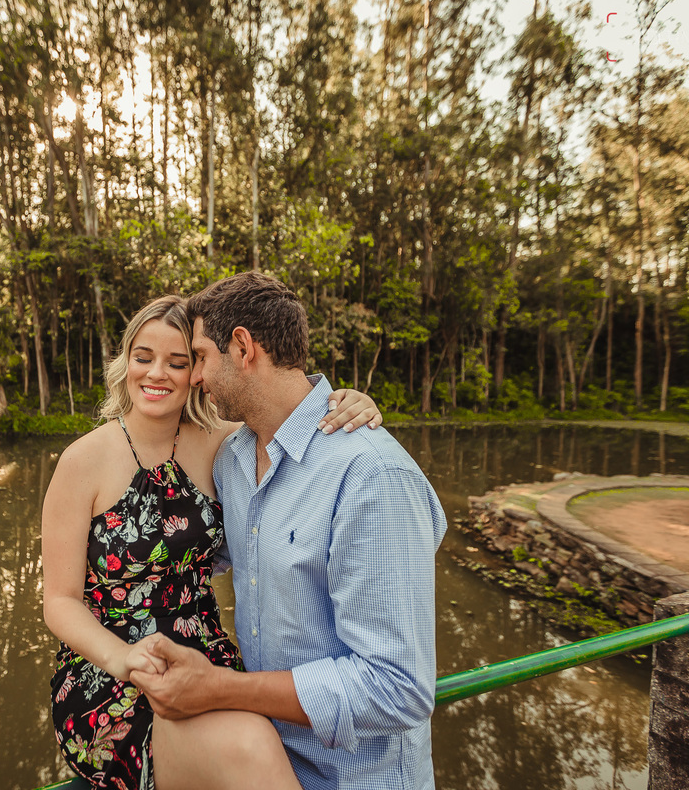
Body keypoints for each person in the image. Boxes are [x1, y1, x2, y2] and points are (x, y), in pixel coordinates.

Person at [42, 295, 382, 790]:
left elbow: (290, 414)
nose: (156, 373)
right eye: (143, 357)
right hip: (110, 670)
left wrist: (348, 400)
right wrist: (125, 661)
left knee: (257, 739)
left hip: (209, 658)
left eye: (178, 362)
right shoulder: (81, 461)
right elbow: (60, 601)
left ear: (196, 373)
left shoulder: (228, 443)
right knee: (249, 745)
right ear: (125, 362)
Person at [130, 272, 448, 790]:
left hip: (356, 779)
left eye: (201, 357)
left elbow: (400, 688)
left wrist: (222, 688)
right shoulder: (233, 459)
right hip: (261, 765)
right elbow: (200, 557)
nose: (196, 377)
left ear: (242, 347)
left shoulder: (372, 475)